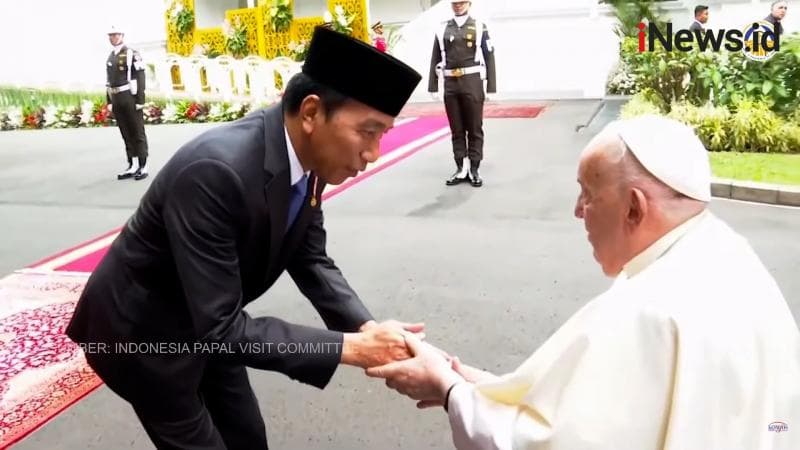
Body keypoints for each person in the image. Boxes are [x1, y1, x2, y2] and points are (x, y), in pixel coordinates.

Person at [67, 26, 424, 449]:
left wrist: (367, 328)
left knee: (248, 437)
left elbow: (311, 260)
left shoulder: (309, 160)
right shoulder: (216, 171)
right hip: (144, 337)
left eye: (383, 134)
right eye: (368, 132)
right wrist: (353, 348)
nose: (374, 153)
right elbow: (221, 329)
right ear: (311, 113)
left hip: (211, 320)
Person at [367, 115, 800, 450]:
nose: (577, 210)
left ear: (634, 207)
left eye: (588, 194)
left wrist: (448, 390)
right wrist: (476, 382)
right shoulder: (725, 253)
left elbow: (550, 442)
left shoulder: (647, 309)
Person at [428, 0, 496, 187]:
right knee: (456, 130)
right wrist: (433, 86)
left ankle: (474, 168)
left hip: (472, 83)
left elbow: (489, 55)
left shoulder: (479, 27)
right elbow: (435, 57)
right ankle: (461, 168)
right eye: (455, 3)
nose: (458, 5)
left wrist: (491, 86)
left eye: (461, 2)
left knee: (474, 128)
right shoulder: (442, 29)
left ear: (469, 3)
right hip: (451, 84)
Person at [105, 25, 149, 181]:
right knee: (126, 133)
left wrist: (140, 100)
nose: (113, 37)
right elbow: (109, 81)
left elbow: (141, 76)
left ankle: (143, 165)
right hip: (117, 97)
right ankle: (132, 163)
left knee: (137, 131)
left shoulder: (131, 53)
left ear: (122, 35)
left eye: (116, 34)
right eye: (111, 35)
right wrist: (109, 100)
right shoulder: (111, 56)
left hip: (129, 96)